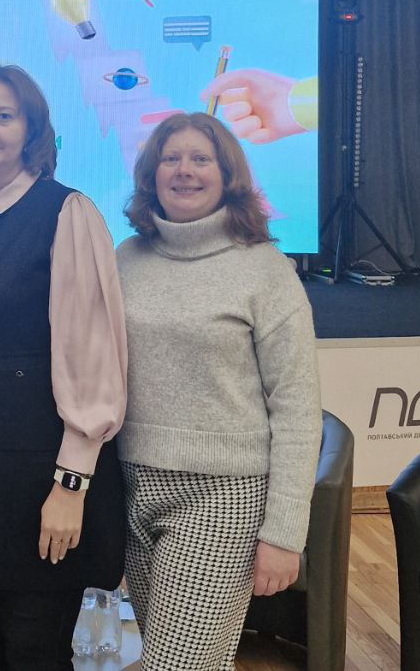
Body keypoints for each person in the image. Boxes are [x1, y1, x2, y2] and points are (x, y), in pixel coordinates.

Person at [0, 63, 128, 669]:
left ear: (31, 129)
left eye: (4, 116)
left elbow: (92, 355)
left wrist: (71, 485)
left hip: (38, 483)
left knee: (34, 652)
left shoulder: (67, 212)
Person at [116, 111, 321, 670]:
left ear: (228, 175)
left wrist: (284, 534)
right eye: (171, 158)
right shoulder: (126, 259)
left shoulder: (265, 270)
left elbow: (298, 408)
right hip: (132, 486)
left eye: (200, 159)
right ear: (151, 175)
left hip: (221, 497)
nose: (184, 170)